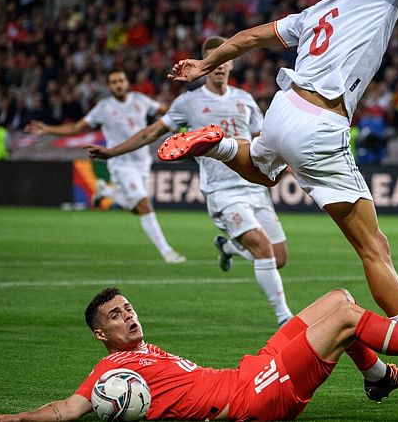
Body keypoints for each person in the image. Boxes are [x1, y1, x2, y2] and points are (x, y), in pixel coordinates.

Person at [156, 0, 398, 377]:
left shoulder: (314, 12)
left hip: (283, 108)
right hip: (321, 123)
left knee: (263, 171)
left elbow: (246, 38)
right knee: (374, 248)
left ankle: (220, 145)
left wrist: (205, 63)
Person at [0, 286, 398, 422]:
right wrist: (18, 417)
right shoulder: (110, 374)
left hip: (247, 373)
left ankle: (378, 378)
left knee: (339, 299)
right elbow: (70, 408)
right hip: (251, 400)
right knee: (343, 322)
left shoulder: (143, 354)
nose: (129, 317)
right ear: (101, 336)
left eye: (128, 308)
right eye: (115, 316)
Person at [85, 37, 293, 326]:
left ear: (230, 62)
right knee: (262, 248)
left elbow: (262, 139)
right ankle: (285, 319)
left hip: (255, 187)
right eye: (213, 61)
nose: (219, 66)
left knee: (279, 257)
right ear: (206, 66)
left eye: (223, 60)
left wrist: (289, 163)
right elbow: (151, 133)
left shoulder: (245, 100)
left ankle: (230, 247)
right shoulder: (188, 102)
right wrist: (112, 151)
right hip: (222, 190)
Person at [26, 70, 186, 264]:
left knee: (136, 209)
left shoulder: (140, 100)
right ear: (109, 87)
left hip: (142, 161)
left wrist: (184, 114)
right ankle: (167, 252)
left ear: (127, 83)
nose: (118, 84)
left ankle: (106, 192)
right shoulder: (103, 107)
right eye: (114, 82)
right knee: (144, 205)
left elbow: (165, 110)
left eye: (121, 80)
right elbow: (77, 127)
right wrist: (48, 129)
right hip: (121, 163)